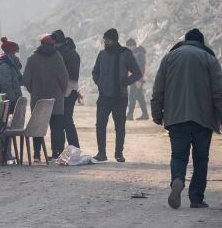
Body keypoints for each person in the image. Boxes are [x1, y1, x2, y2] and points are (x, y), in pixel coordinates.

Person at [151, 29, 222, 209]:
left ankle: (178, 180)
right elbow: (219, 92)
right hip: (203, 119)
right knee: (201, 159)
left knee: (178, 155)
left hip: (176, 117)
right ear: (201, 43)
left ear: (185, 41)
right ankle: (196, 198)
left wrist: (157, 113)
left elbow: (158, 89)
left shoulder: (169, 58)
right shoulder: (209, 59)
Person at [91, 28, 142, 162]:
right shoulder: (102, 55)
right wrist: (99, 83)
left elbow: (137, 73)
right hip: (104, 97)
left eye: (106, 39)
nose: (104, 42)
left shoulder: (125, 54)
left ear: (112, 40)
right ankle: (101, 153)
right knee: (100, 125)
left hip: (120, 97)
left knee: (119, 126)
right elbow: (95, 72)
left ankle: (119, 154)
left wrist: (126, 82)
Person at [22, 35, 69, 161]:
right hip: (56, 100)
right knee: (56, 128)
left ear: (40, 44)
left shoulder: (32, 59)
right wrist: (61, 92)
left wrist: (34, 90)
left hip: (38, 99)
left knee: (37, 127)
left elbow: (26, 80)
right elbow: (64, 78)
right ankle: (56, 153)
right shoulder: (57, 57)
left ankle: (37, 154)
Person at [50, 30, 82, 157]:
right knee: (58, 122)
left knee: (67, 121)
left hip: (68, 92)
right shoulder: (61, 52)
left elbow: (72, 76)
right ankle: (59, 151)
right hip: (60, 92)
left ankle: (75, 150)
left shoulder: (71, 54)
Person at [0, 37, 23, 105]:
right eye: (15, 52)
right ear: (11, 53)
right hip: (9, 99)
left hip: (14, 97)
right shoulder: (4, 66)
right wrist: (13, 100)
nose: (16, 56)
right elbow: (6, 85)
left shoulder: (11, 65)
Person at [126, 38, 149, 120]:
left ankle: (130, 115)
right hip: (135, 78)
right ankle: (145, 114)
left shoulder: (139, 54)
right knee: (139, 96)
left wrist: (139, 80)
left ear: (133, 46)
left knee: (132, 96)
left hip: (137, 79)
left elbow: (141, 68)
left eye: (129, 47)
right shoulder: (136, 53)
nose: (128, 49)